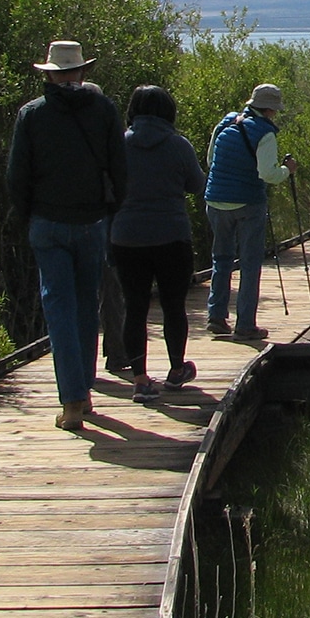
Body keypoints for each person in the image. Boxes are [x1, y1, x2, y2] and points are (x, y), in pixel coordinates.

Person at [5, 40, 125, 431]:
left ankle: (72, 400)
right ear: (82, 72)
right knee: (86, 303)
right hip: (91, 222)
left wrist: (28, 216)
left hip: (47, 223)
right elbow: (119, 169)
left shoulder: (32, 115)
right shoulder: (104, 110)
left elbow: (16, 176)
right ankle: (84, 391)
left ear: (50, 74)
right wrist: (110, 210)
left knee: (58, 308)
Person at [109, 85, 205, 403]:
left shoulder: (118, 145)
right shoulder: (179, 145)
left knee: (133, 307)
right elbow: (196, 184)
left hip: (126, 237)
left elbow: (107, 188)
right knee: (173, 306)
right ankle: (176, 371)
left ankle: (139, 379)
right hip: (171, 235)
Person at [204, 83, 294, 342]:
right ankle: (245, 324)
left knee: (220, 258)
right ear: (271, 109)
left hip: (216, 200)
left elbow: (212, 160)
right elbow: (268, 174)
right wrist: (288, 170)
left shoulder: (226, 123)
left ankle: (217, 316)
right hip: (247, 203)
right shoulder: (265, 133)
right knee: (249, 263)